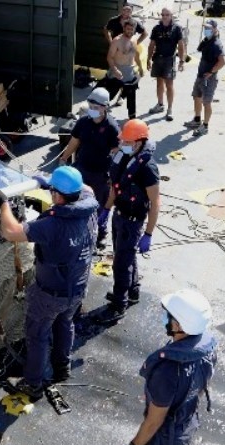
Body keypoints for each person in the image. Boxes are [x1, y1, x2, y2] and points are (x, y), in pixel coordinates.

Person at [0, 166, 98, 399]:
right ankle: (61, 367)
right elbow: (85, 187)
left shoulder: (53, 225)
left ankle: (33, 383)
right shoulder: (88, 205)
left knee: (37, 334)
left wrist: (4, 203)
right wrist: (50, 183)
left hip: (49, 294)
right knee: (65, 324)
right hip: (77, 287)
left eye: (52, 192)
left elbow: (11, 231)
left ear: (58, 196)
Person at [120, 289, 218, 445]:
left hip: (162, 438)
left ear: (179, 324)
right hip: (186, 424)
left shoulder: (167, 370)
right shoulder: (207, 350)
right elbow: (201, 387)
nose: (165, 318)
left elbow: (154, 422)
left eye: (169, 316)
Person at [95, 119, 160, 324]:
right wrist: (106, 209)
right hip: (120, 215)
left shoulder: (147, 168)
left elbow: (155, 202)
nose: (123, 144)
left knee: (121, 263)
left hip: (133, 221)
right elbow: (116, 186)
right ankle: (133, 291)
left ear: (139, 143)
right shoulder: (124, 157)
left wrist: (148, 234)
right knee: (126, 255)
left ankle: (118, 305)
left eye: (127, 141)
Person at [59, 88, 120, 250]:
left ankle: (100, 234)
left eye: (96, 107)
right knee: (77, 202)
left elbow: (117, 153)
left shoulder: (112, 128)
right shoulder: (83, 122)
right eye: (91, 106)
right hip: (81, 171)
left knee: (100, 206)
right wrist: (64, 158)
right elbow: (74, 142)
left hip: (101, 175)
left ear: (105, 107)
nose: (93, 110)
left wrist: (115, 175)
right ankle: (79, 230)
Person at [183, 19, 225, 136]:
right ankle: (197, 120)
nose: (206, 30)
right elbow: (198, 50)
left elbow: (222, 62)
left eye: (208, 28)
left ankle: (205, 126)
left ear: (215, 29)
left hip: (209, 79)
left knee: (206, 102)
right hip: (200, 75)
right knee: (196, 96)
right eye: (205, 28)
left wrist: (211, 72)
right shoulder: (207, 40)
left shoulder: (217, 44)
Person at [146, 8, 186, 121]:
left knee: (169, 85)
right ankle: (160, 104)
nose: (164, 17)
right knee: (159, 83)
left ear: (171, 15)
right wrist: (148, 59)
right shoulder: (156, 28)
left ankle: (170, 109)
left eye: (167, 15)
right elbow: (151, 45)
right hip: (158, 58)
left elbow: (181, 46)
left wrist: (182, 61)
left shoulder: (177, 28)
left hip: (170, 60)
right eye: (162, 14)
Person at [106, 19, 143, 120]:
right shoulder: (117, 40)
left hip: (129, 72)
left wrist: (140, 68)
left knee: (131, 97)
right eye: (127, 29)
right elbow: (109, 57)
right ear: (124, 28)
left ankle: (132, 119)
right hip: (116, 72)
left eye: (131, 29)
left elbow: (136, 56)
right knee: (109, 95)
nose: (129, 31)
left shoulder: (134, 40)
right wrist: (115, 70)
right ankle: (99, 115)